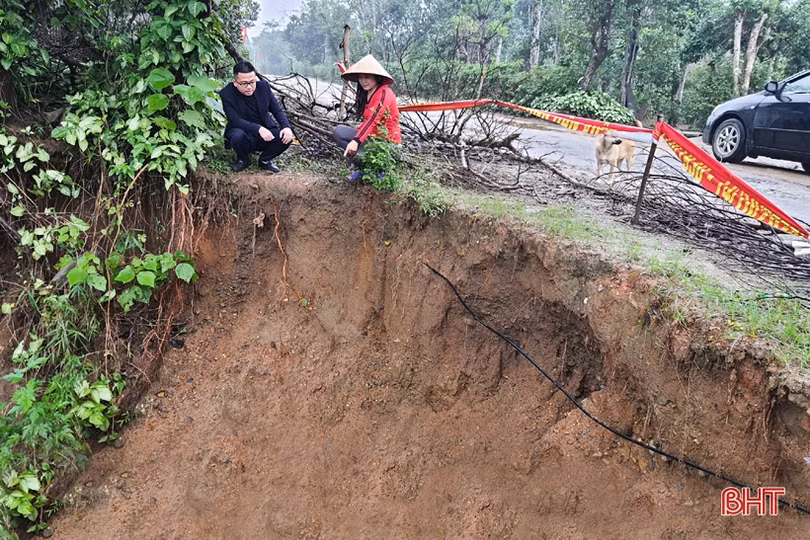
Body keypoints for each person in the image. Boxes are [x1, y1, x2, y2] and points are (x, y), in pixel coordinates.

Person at [219, 61, 294, 173]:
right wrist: (258, 129)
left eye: (252, 82)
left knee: (286, 138)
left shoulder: (264, 88)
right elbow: (234, 120)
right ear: (235, 82)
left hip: (266, 134)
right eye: (244, 83)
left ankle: (265, 160)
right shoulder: (227, 93)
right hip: (242, 133)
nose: (249, 87)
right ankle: (243, 160)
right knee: (236, 136)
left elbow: (277, 110)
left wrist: (286, 126)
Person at [333, 55, 401, 167]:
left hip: (387, 144)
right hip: (372, 139)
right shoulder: (367, 93)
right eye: (360, 77)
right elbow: (367, 122)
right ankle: (361, 164)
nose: (363, 81)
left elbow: (373, 120)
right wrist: (358, 138)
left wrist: (356, 141)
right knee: (339, 131)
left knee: (357, 143)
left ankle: (374, 168)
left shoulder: (384, 94)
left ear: (376, 77)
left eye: (367, 77)